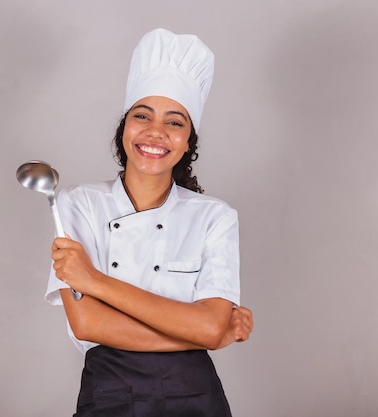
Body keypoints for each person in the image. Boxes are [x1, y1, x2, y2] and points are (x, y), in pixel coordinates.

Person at [45, 28, 253, 417]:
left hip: (196, 396)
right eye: (142, 115)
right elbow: (88, 323)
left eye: (175, 122)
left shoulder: (215, 217)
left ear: (189, 140)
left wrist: (95, 281)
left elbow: (207, 327)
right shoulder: (78, 204)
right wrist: (203, 331)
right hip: (109, 393)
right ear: (124, 127)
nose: (156, 132)